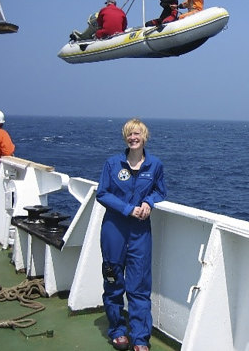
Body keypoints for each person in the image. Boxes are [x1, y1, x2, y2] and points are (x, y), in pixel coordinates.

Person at [96, 118, 166, 351]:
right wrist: (128, 209)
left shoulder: (155, 165)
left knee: (139, 286)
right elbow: (102, 194)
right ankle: (117, 330)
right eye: (129, 134)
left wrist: (149, 201)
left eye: (137, 134)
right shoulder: (112, 163)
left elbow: (160, 190)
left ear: (144, 137)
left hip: (140, 234)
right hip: (114, 231)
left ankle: (139, 338)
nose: (133, 138)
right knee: (114, 280)